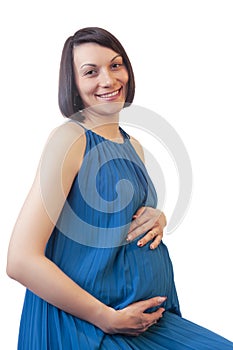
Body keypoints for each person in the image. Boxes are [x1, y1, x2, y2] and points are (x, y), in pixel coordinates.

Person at [7, 27, 233, 349]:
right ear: (73, 84)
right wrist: (106, 318)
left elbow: (112, 222)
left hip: (145, 322)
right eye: (90, 72)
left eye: (115, 65)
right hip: (87, 327)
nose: (108, 80)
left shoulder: (133, 145)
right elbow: (20, 259)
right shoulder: (70, 139)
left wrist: (158, 217)